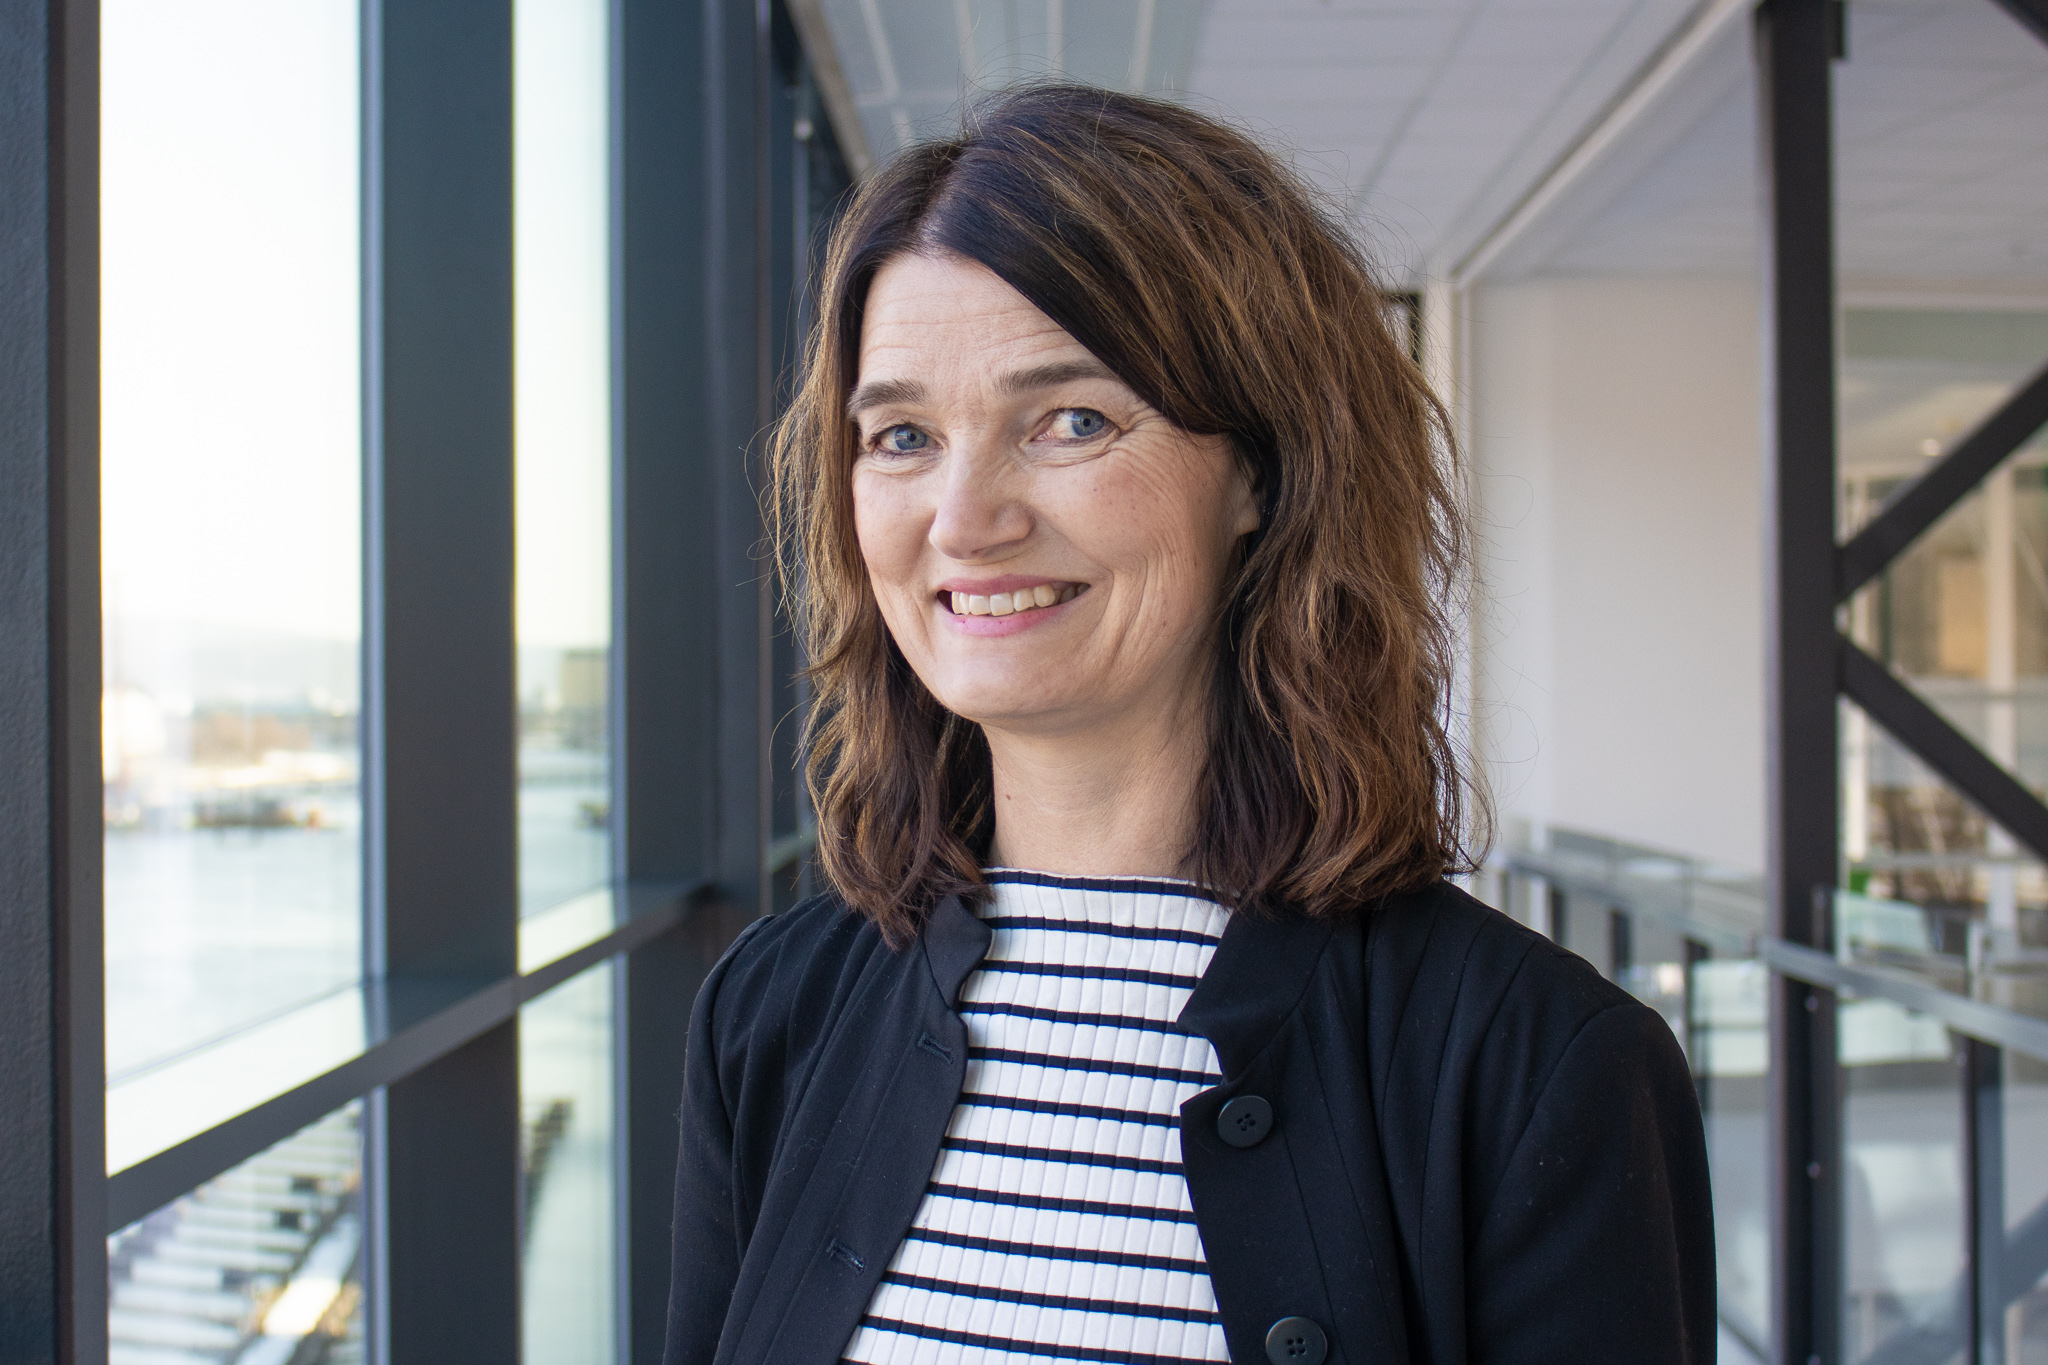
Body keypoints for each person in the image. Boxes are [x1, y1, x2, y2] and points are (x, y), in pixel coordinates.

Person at [663, 84, 1713, 1365]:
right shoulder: (771, 1014)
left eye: (1071, 421)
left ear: (1260, 471)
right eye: (900, 436)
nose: (963, 517)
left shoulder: (1534, 1066)